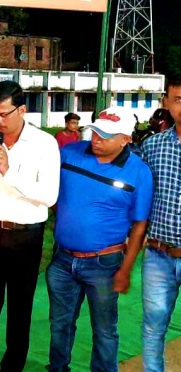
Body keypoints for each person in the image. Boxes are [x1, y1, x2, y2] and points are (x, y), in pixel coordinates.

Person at [46, 107, 153, 371]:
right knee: (60, 324)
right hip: (62, 260)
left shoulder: (139, 172)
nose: (96, 139)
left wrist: (125, 270)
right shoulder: (69, 153)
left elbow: (140, 225)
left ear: (126, 139)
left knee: (105, 330)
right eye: (95, 131)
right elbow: (49, 191)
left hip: (104, 264)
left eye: (105, 135)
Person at [0, 80, 60, 372]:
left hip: (27, 237)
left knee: (20, 310)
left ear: (22, 109)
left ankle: (13, 367)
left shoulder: (45, 144)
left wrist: (10, 172)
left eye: (3, 114)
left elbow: (48, 195)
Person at [140, 75, 181, 372]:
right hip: (158, 255)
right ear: (166, 103)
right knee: (154, 326)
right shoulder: (152, 147)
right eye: (177, 99)